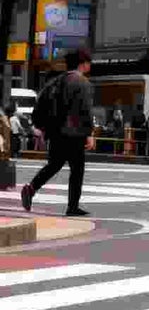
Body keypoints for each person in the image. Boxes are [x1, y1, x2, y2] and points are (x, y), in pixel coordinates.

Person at [21, 48, 95, 217]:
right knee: (77, 170)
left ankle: (31, 188)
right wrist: (89, 133)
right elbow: (85, 109)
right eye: (88, 63)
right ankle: (72, 206)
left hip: (56, 132)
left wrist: (43, 127)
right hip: (75, 132)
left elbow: (40, 105)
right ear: (83, 64)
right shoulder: (82, 82)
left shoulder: (55, 82)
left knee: (54, 165)